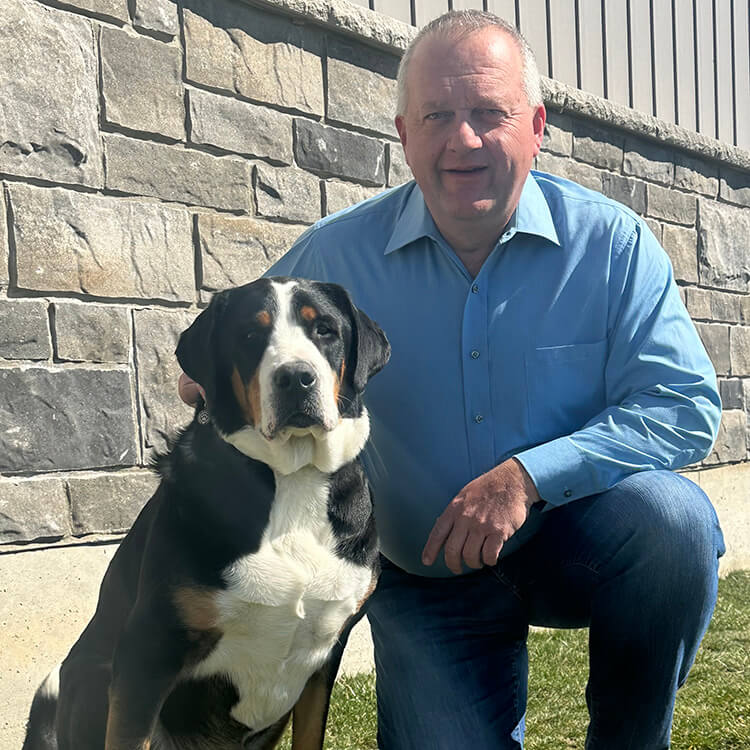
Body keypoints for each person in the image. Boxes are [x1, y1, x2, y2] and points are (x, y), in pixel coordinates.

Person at [179, 10, 725, 749]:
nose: (463, 138)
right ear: (404, 135)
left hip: (575, 542)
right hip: (421, 573)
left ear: (537, 125)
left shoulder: (612, 244)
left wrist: (527, 478)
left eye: (489, 113)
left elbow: (683, 405)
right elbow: (238, 355)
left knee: (675, 522)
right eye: (437, 114)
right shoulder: (331, 259)